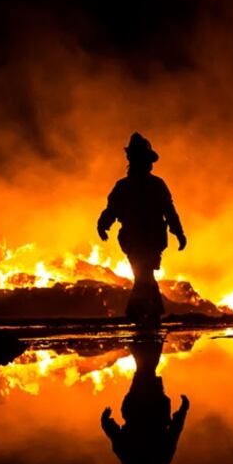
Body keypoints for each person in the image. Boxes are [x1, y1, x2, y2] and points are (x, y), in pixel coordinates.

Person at [97, 132, 187, 328]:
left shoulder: (151, 185)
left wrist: (179, 232)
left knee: (144, 274)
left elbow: (169, 210)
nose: (149, 165)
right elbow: (112, 209)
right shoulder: (130, 186)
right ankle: (144, 312)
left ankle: (144, 312)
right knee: (144, 274)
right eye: (146, 160)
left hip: (149, 240)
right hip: (136, 240)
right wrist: (103, 224)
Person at [101, 338, 190, 464]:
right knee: (145, 370)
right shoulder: (134, 459)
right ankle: (145, 339)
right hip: (143, 407)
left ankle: (146, 339)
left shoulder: (157, 459)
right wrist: (106, 422)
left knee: (145, 370)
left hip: (147, 407)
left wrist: (106, 422)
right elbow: (174, 432)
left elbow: (174, 431)